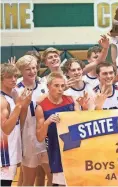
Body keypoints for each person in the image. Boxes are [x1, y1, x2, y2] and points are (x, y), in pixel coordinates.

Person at [35, 72, 89, 186]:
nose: (60, 89)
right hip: (56, 149)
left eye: (62, 86)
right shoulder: (41, 107)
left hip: (74, 148)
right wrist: (47, 122)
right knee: (59, 183)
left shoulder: (72, 100)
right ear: (48, 86)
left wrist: (84, 109)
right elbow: (40, 137)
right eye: (56, 86)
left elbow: (82, 124)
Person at [15, 55, 52, 186]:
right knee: (28, 179)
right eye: (28, 69)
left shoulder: (44, 85)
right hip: (27, 137)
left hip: (45, 134)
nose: (32, 71)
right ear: (21, 71)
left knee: (52, 175)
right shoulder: (16, 89)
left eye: (34, 68)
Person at [0, 64, 31, 186]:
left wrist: (25, 106)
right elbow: (6, 129)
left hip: (12, 146)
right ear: (1, 78)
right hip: (4, 151)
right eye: (9, 77)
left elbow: (19, 124)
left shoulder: (13, 94)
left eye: (15, 76)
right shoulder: (2, 100)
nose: (13, 79)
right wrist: (19, 106)